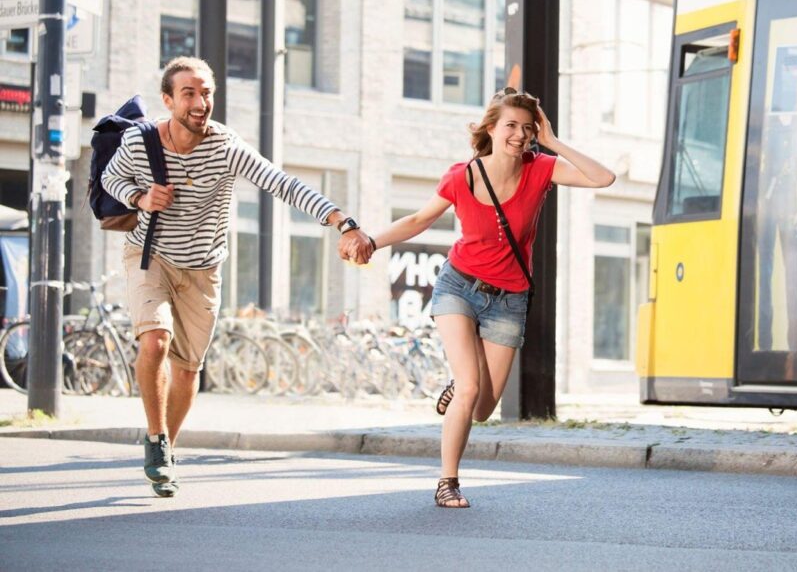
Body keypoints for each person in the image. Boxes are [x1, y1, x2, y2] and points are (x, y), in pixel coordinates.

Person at [102, 56, 374, 497]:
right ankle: (154, 439)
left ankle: (167, 449)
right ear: (168, 99)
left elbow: (280, 182)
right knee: (155, 340)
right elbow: (112, 179)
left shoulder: (225, 145)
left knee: (188, 371)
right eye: (189, 92)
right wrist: (140, 195)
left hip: (204, 267)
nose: (200, 101)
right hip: (150, 256)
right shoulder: (140, 141)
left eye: (206, 92)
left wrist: (341, 220)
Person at [354, 88, 614, 508]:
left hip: (509, 299)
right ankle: (448, 482)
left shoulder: (542, 169)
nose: (519, 134)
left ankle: (459, 385)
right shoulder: (463, 176)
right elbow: (419, 220)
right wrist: (372, 240)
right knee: (472, 386)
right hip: (459, 287)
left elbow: (604, 178)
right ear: (490, 128)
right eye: (511, 125)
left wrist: (552, 141)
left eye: (527, 128)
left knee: (481, 407)